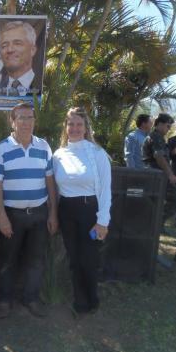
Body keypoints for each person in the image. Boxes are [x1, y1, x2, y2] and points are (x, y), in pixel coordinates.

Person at [0, 102, 58, 319]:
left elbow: (50, 182)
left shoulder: (44, 147)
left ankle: (30, 298)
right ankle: (4, 300)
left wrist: (52, 213)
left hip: (39, 214)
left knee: (36, 260)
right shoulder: (1, 149)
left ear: (34, 121)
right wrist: (2, 217)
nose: (26, 122)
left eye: (30, 118)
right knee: (8, 260)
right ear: (13, 121)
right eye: (21, 118)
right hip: (12, 215)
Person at [53, 107, 111, 316]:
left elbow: (105, 189)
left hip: (90, 212)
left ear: (86, 128)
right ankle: (79, 299)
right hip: (66, 211)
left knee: (89, 258)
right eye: (71, 124)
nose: (75, 128)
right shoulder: (58, 155)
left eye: (79, 124)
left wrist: (103, 221)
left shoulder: (97, 153)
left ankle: (92, 297)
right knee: (74, 258)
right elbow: (56, 189)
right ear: (66, 127)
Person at [142, 113, 176, 226]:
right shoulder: (156, 137)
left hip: (156, 174)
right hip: (157, 175)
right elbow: (159, 157)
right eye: (167, 126)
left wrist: (171, 152)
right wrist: (170, 174)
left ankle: (155, 225)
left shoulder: (157, 137)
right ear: (159, 124)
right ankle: (157, 223)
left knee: (157, 201)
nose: (169, 129)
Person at [0, 21, 42, 96]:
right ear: (0, 53)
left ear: (32, 50)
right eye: (4, 45)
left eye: (17, 43)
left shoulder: (43, 87)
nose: (10, 50)